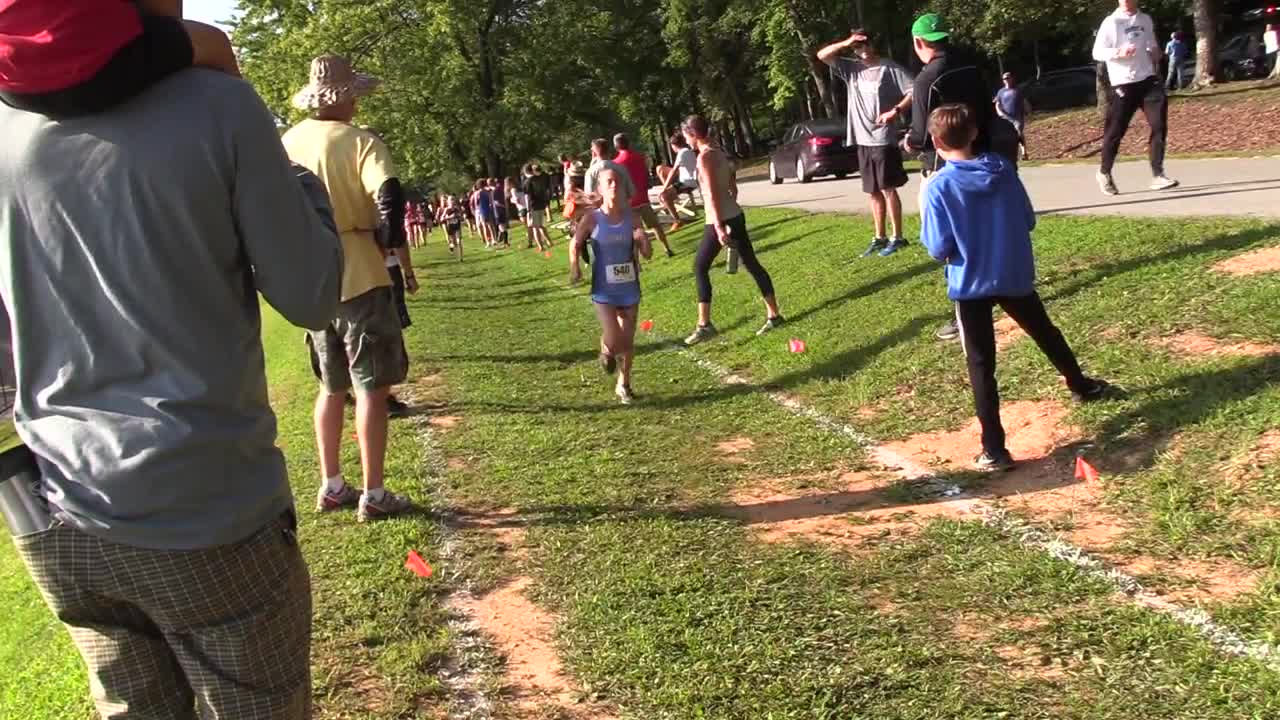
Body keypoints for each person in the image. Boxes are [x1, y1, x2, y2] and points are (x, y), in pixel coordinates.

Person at [0, 4, 342, 716]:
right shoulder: (217, 102)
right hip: (203, 503)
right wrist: (291, 174)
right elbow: (311, 294)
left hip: (52, 505)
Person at [919, 104, 1111, 471]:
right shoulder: (1003, 169)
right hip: (1012, 273)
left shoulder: (939, 186)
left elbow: (938, 247)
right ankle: (1081, 384)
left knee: (980, 364)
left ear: (935, 141)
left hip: (970, 282)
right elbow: (1027, 219)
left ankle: (994, 448)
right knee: (1044, 331)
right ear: (974, 132)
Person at [283, 54, 418, 522]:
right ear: (347, 98)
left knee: (330, 387)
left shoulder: (286, 142)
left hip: (315, 280)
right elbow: (388, 196)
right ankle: (375, 493)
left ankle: (332, 484)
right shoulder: (363, 143)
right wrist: (388, 240)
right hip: (361, 272)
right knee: (371, 388)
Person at [904, 11, 1020, 342]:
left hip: (946, 167)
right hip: (985, 158)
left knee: (951, 241)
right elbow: (987, 108)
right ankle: (1008, 288)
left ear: (919, 42)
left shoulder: (928, 79)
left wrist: (908, 141)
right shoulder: (972, 66)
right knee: (992, 228)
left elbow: (921, 134)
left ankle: (963, 314)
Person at [0, 0, 239, 116]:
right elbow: (166, 11)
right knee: (213, 42)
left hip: (13, 85)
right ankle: (250, 133)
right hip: (96, 76)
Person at [681, 115, 785, 345]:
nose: (686, 140)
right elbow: (732, 188)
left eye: (687, 135)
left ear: (694, 134)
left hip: (720, 219)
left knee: (699, 267)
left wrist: (718, 226)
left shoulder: (705, 158)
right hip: (734, 215)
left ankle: (704, 325)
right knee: (751, 264)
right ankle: (774, 315)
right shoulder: (720, 152)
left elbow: (712, 193)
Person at [818, 28, 915, 258]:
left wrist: (896, 111)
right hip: (861, 139)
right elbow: (822, 55)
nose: (861, 49)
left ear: (874, 44)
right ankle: (879, 237)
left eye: (864, 44)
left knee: (887, 187)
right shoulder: (851, 68)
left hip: (882, 137)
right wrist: (848, 41)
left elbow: (914, 90)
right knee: (872, 191)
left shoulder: (890, 68)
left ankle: (897, 237)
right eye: (857, 46)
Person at [569, 167, 652, 405]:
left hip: (629, 289)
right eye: (609, 182)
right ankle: (606, 350)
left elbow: (647, 254)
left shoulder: (633, 218)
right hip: (603, 290)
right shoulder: (592, 218)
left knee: (628, 340)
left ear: (625, 187)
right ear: (600, 190)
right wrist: (574, 267)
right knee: (615, 339)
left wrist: (643, 240)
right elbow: (575, 244)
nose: (614, 184)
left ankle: (624, 384)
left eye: (618, 181)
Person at [1092, 0, 1179, 195]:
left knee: (1159, 126)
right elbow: (1097, 52)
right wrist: (1118, 52)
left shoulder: (1145, 19)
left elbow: (1151, 44)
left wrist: (1155, 53)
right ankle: (1104, 172)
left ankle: (1158, 175)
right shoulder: (1111, 22)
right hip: (1123, 83)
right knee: (1115, 131)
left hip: (1148, 80)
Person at [613, 132, 675, 257]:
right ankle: (667, 248)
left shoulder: (616, 163)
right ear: (628, 143)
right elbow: (646, 175)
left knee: (636, 230)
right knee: (656, 226)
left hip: (629, 201)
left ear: (616, 146)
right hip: (643, 198)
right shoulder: (639, 157)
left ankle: (640, 256)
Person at [656, 132, 699, 232]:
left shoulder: (683, 153)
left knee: (664, 196)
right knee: (660, 168)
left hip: (688, 183)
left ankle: (677, 220)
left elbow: (674, 171)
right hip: (684, 178)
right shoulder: (686, 151)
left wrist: (664, 189)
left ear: (673, 145)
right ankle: (672, 195)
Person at [585, 138, 637, 202]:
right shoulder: (622, 168)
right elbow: (631, 192)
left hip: (601, 209)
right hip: (621, 208)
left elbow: (589, 197)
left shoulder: (591, 172)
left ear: (593, 153)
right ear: (609, 151)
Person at [995, 72, 1031, 160]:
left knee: (1019, 134)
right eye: (1004, 78)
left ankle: (1024, 153)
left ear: (1012, 78)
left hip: (1017, 117)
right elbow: (997, 104)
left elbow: (1024, 102)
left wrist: (1028, 110)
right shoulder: (1001, 91)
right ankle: (1011, 154)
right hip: (1006, 117)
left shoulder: (1017, 90)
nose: (1006, 80)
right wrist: (1000, 112)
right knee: (1008, 136)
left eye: (1008, 78)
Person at [523, 163, 553, 251]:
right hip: (541, 204)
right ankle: (549, 241)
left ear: (525, 172)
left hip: (533, 206)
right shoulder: (539, 179)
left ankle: (541, 246)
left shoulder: (528, 182)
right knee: (540, 225)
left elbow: (527, 196)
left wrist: (528, 210)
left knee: (535, 227)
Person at [442, 195, 465, 259]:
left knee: (459, 241)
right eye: (451, 200)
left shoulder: (457, 209)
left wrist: (459, 216)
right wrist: (450, 217)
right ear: (448, 202)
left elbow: (462, 218)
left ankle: (461, 257)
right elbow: (442, 218)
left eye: (453, 199)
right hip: (450, 227)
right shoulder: (447, 209)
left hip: (457, 226)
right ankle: (451, 245)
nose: (452, 201)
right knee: (454, 242)